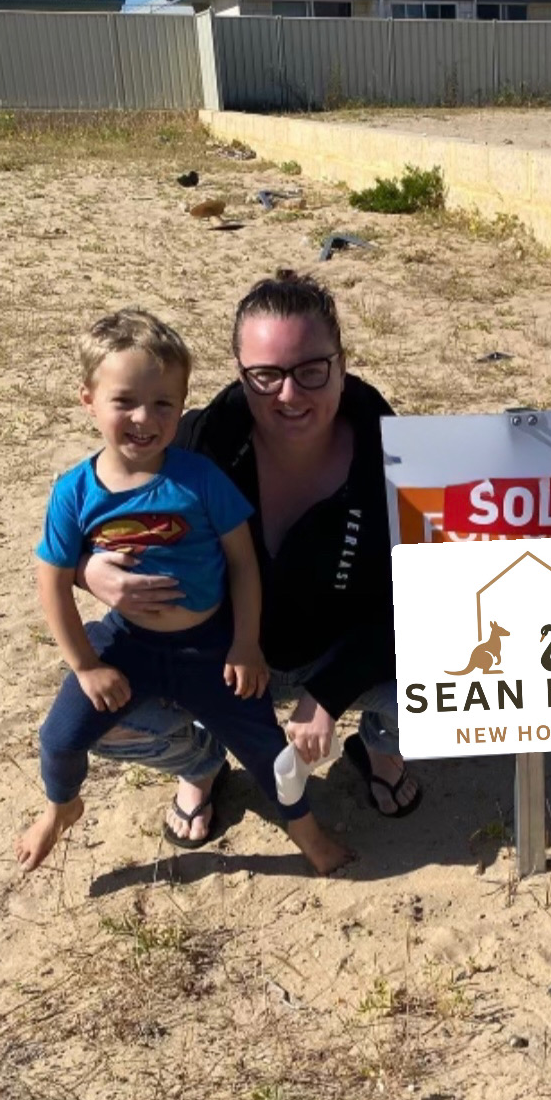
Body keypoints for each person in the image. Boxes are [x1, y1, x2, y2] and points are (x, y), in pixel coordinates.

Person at [80, 269, 421, 846]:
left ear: (341, 363)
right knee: (95, 712)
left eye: (312, 369)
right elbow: (91, 509)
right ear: (241, 373)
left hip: (342, 652)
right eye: (266, 375)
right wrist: (93, 568)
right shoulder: (198, 444)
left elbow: (420, 596)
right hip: (222, 657)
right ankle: (200, 762)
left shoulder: (399, 459)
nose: (289, 394)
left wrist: (330, 693)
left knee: (451, 680)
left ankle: (380, 748)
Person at [16, 309, 353, 877]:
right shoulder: (75, 491)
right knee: (59, 736)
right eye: (124, 401)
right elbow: (51, 578)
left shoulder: (198, 477)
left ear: (182, 402)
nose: (145, 418)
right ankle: (61, 807)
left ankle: (310, 836)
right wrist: (85, 665)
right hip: (127, 644)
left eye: (163, 404)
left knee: (273, 759)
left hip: (211, 648)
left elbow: (244, 564)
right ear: (88, 400)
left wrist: (246, 644)